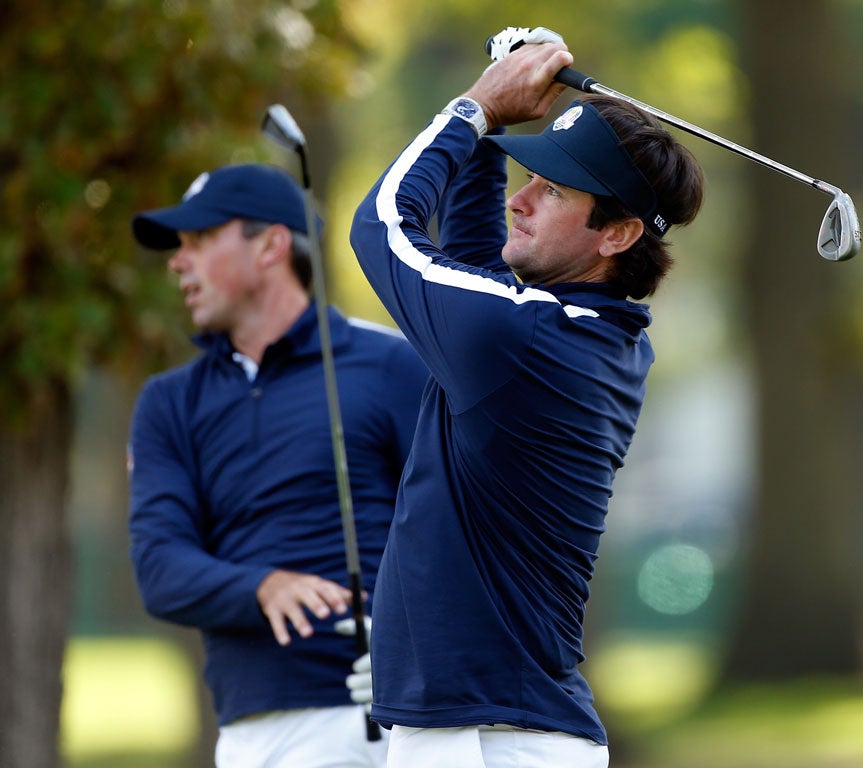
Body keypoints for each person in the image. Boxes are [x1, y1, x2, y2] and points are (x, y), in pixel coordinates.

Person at [348, 29, 705, 768]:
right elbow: (480, 264)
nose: (523, 200)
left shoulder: (519, 336)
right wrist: (495, 125)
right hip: (513, 727)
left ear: (621, 234)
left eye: (554, 191)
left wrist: (475, 107)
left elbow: (381, 226)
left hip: (475, 735)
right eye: (527, 178)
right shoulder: (597, 334)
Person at [127, 162, 428, 768]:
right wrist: (262, 586)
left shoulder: (392, 365)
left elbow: (459, 532)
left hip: (374, 722)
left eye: (200, 241)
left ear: (270, 245)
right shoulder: (169, 403)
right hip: (245, 730)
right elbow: (160, 567)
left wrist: (426, 658)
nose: (177, 262)